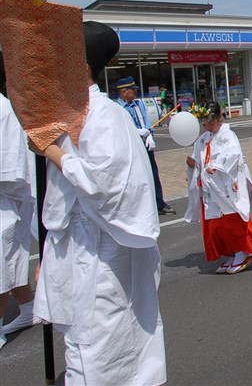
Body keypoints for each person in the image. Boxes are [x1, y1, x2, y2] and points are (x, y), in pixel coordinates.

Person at [33, 21, 166, 385]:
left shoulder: (104, 114)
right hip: (74, 243)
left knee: (98, 340)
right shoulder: (70, 112)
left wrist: (53, 152)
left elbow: (103, 182)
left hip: (100, 245)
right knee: (81, 338)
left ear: (83, 66)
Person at [186, 102, 252, 274]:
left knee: (232, 220)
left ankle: (242, 252)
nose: (207, 126)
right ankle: (230, 253)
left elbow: (234, 155)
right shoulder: (203, 138)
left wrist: (218, 166)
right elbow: (198, 157)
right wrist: (193, 164)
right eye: (205, 124)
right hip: (210, 187)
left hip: (225, 186)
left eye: (211, 123)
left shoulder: (228, 135)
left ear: (220, 117)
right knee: (216, 224)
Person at [0, 54, 40, 349]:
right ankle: (27, 310)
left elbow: (12, 171)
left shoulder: (3, 110)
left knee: (4, 265)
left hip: (6, 201)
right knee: (11, 264)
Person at [116, 77, 175, 215]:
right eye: (133, 90)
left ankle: (159, 203)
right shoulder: (117, 109)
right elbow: (120, 129)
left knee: (153, 174)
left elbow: (146, 122)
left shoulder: (138, 104)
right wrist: (136, 132)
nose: (135, 92)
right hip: (130, 148)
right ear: (124, 92)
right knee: (134, 177)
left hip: (145, 145)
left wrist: (149, 135)